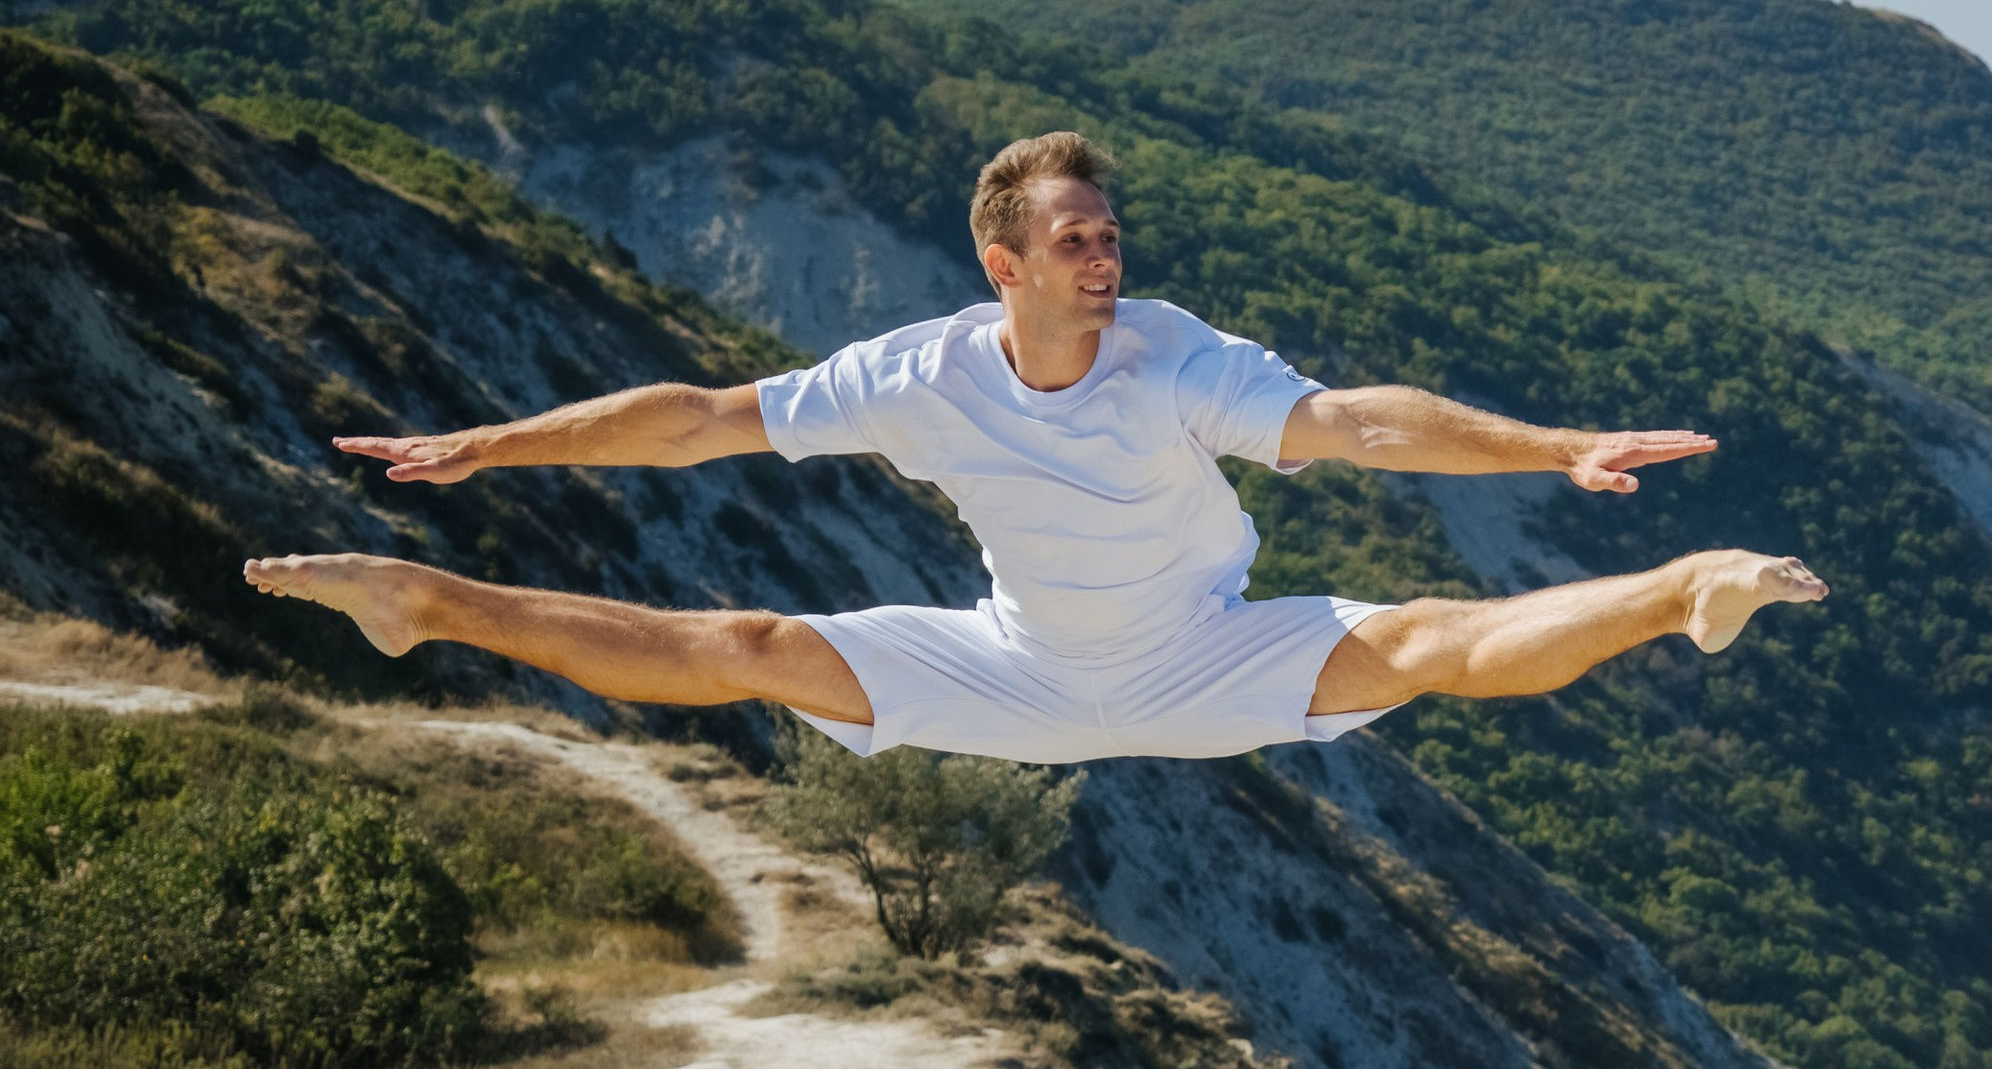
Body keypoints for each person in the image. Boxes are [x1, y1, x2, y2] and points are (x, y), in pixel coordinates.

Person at [244, 132, 1827, 763]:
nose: (1104, 253)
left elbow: (1354, 423)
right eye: (1074, 237)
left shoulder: (1173, 356)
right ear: (1002, 263)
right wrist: (487, 447)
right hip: (1018, 670)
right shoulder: (919, 375)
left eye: (1110, 232)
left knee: (1426, 641)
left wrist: (1554, 448)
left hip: (1204, 653)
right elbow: (703, 421)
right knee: (748, 647)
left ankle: (1685, 586)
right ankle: (423, 603)